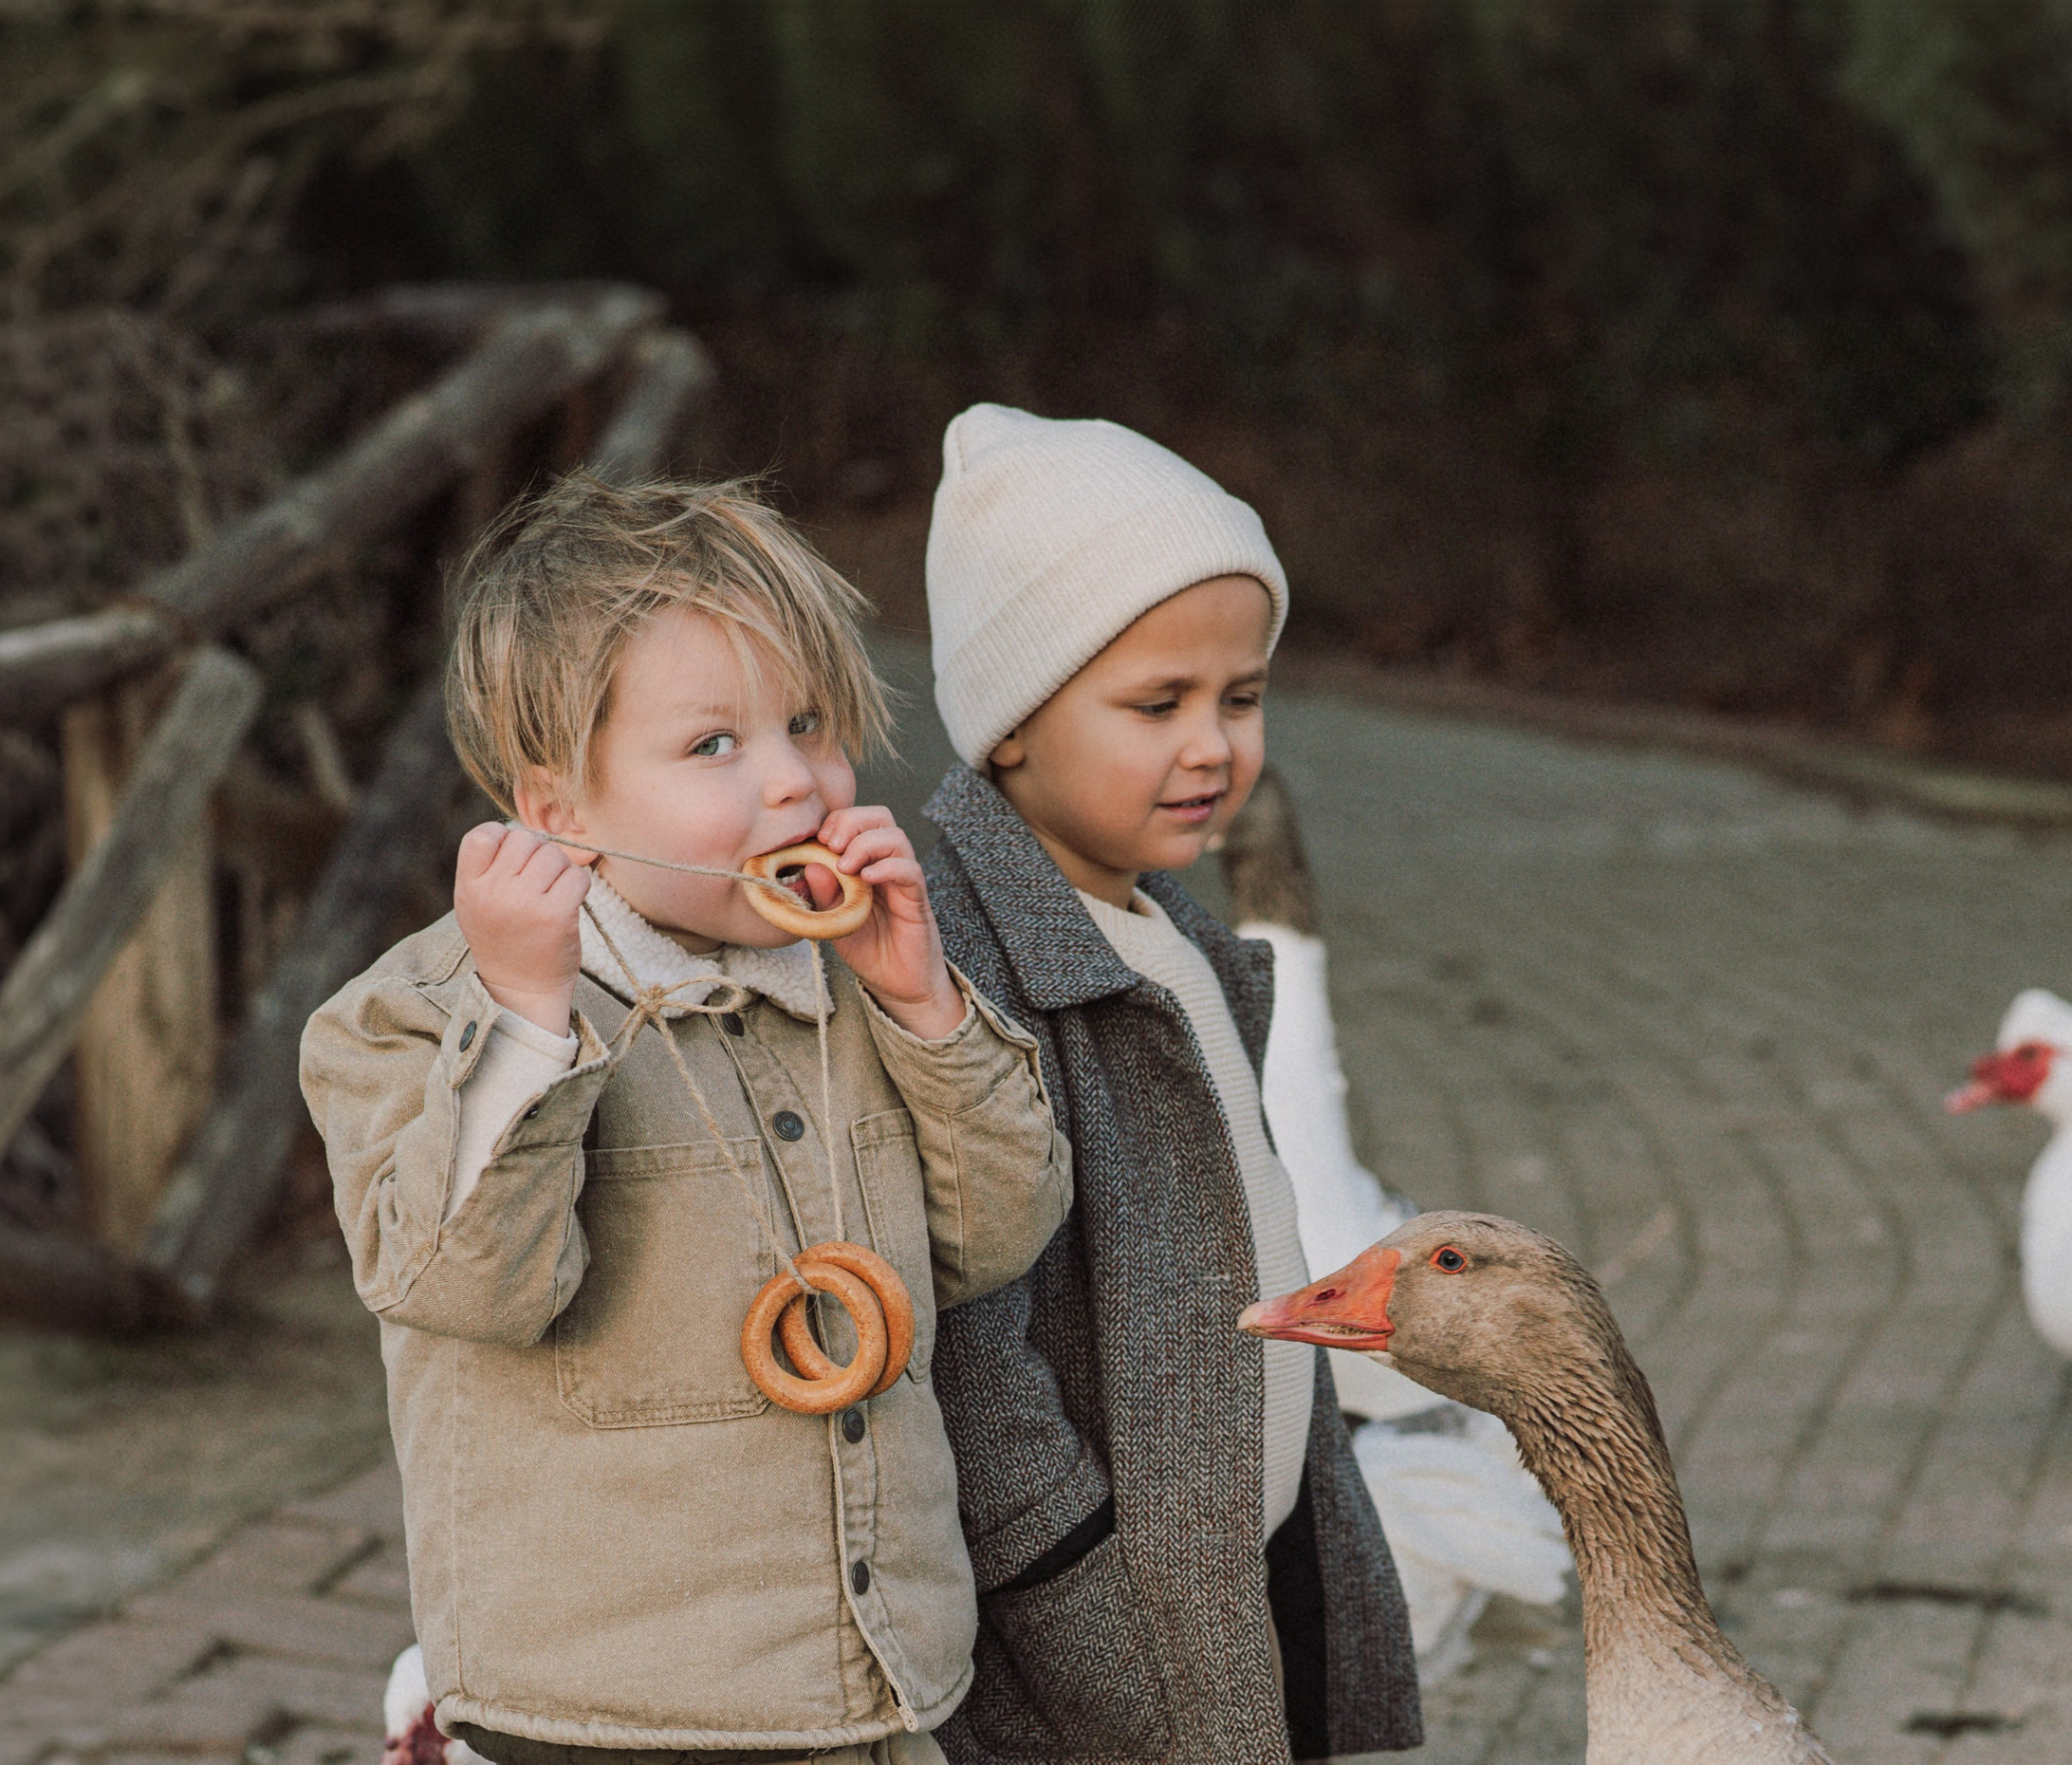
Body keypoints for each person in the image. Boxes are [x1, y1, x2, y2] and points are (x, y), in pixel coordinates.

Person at [301, 474, 1072, 1765]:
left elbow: (997, 1237)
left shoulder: (857, 987)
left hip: (880, 1683)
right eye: (714, 745)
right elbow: (463, 1280)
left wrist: (928, 1009)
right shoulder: (416, 1017)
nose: (793, 785)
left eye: (809, 724)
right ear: (554, 810)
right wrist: (527, 1016)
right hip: (608, 1709)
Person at [915, 406, 1424, 1764]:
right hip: (1089, 1653)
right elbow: (974, 1353)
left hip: (1224, 1574)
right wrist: (1082, 1606)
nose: (1214, 747)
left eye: (1241, 698)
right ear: (1012, 723)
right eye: (1158, 705)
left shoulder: (1173, 935)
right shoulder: (961, 966)